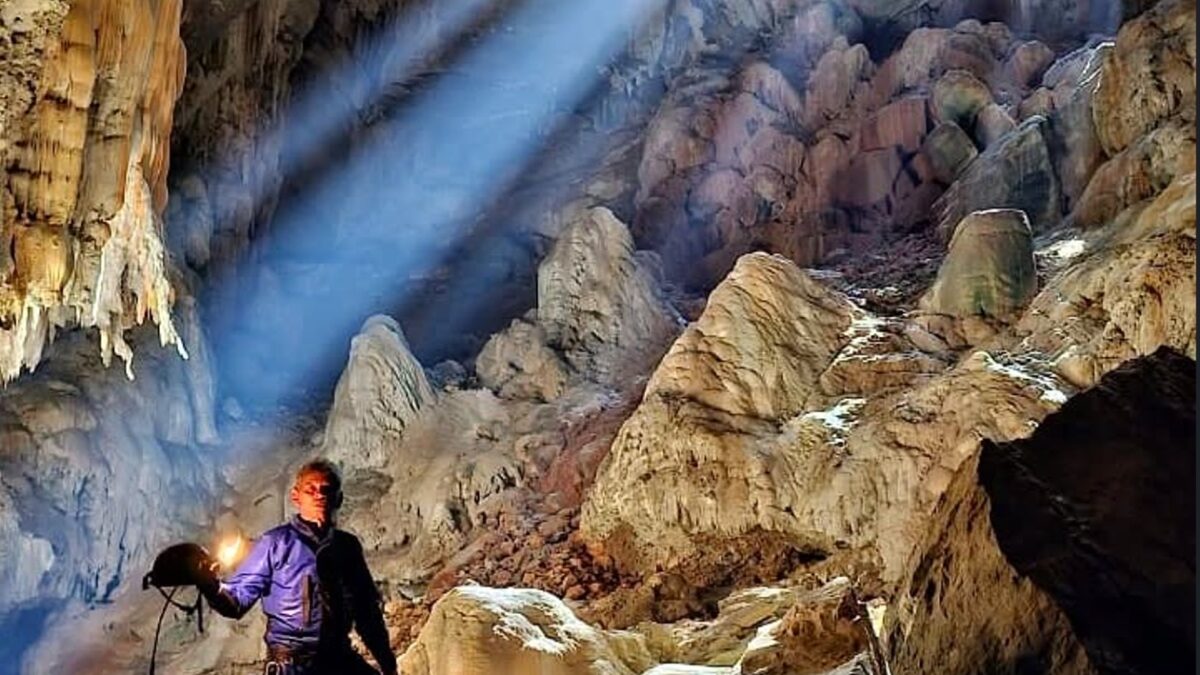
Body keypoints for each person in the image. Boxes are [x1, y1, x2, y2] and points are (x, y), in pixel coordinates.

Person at [199, 459, 397, 675]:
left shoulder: (346, 547)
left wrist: (388, 664)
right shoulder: (274, 544)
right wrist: (209, 584)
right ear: (296, 497)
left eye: (326, 490)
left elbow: (366, 613)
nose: (319, 495)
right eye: (310, 490)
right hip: (292, 664)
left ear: (338, 498)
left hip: (338, 658)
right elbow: (236, 601)